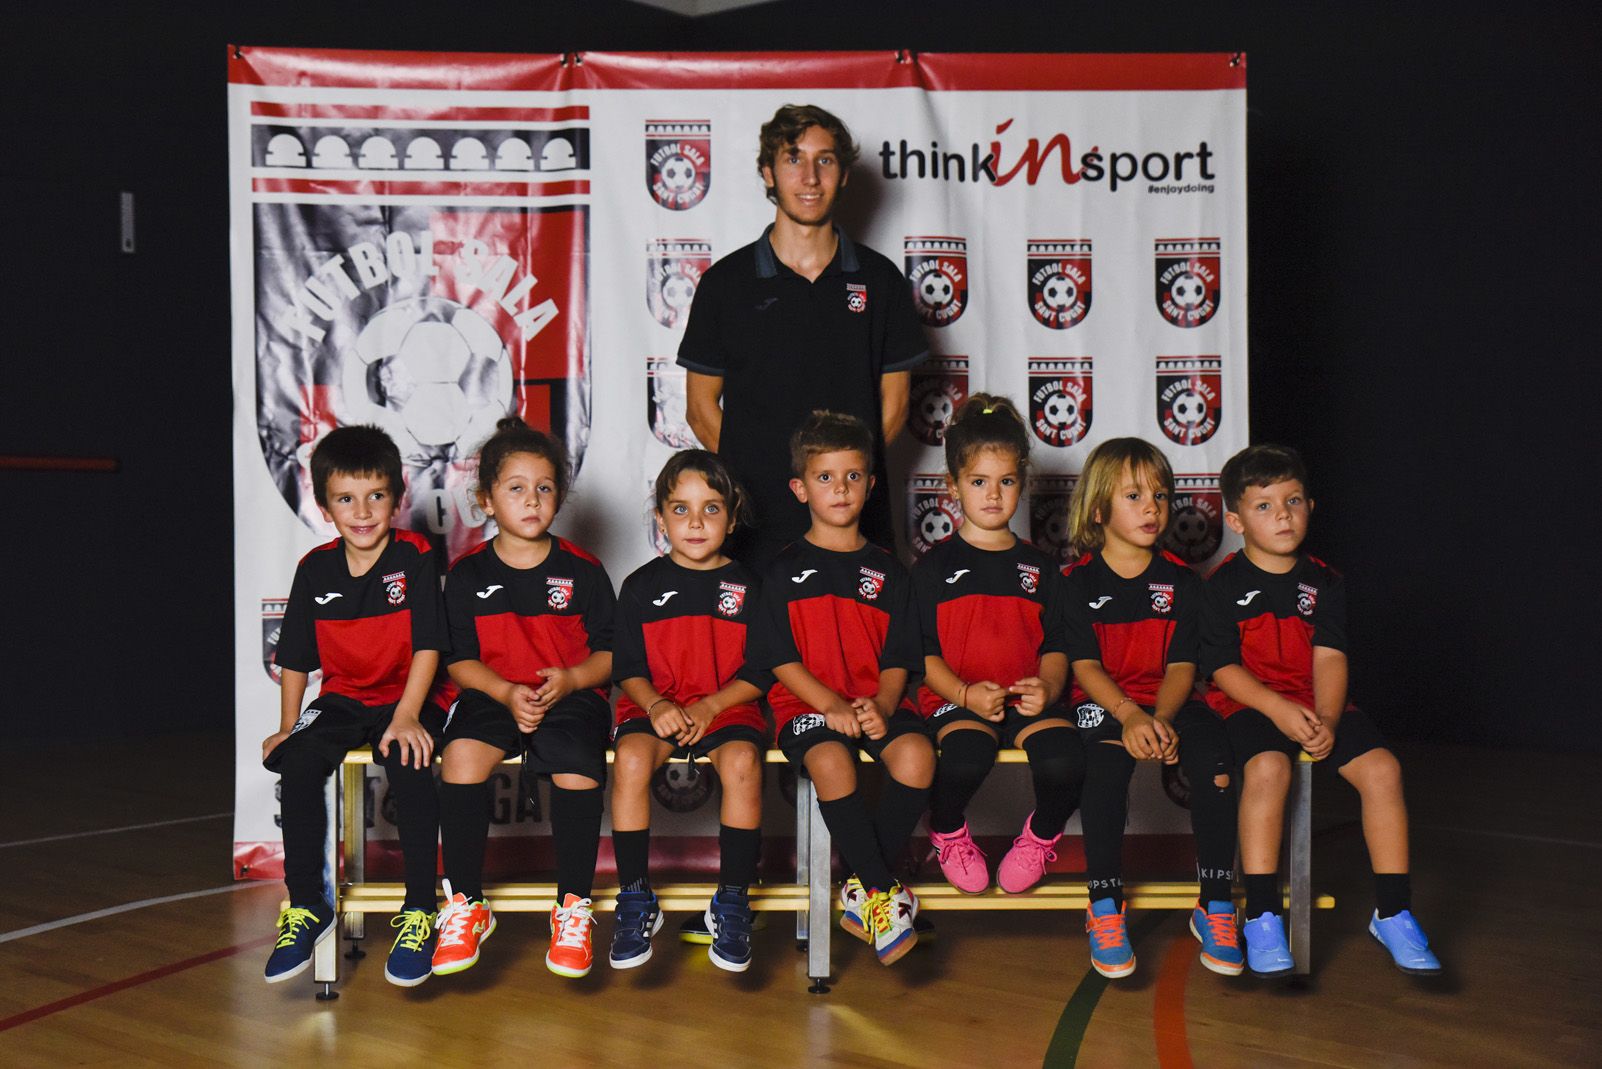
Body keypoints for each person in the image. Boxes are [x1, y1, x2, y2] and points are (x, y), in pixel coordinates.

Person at [1201, 444, 1441, 977]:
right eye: (1264, 506)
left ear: (1311, 505)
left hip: (1316, 703)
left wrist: (1328, 720)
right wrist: (1278, 710)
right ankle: (1262, 915)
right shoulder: (1220, 587)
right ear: (1236, 521)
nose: (1282, 515)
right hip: (1250, 702)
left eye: (1293, 501)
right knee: (1270, 768)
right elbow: (1222, 669)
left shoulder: (1326, 581)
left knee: (1383, 770)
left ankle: (1393, 912)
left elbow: (1330, 657)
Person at [678, 104, 928, 570]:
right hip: (757, 526)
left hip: (854, 520)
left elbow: (894, 406)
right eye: (793, 158)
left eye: (825, 160)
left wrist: (841, 482)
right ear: (768, 173)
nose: (810, 177)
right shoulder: (726, 283)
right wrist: (756, 482)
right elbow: (700, 406)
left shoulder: (881, 280)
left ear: (844, 174)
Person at [744, 410, 934, 965]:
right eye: (825, 477)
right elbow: (778, 658)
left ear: (871, 484)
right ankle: (880, 890)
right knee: (832, 762)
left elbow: (899, 657)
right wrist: (829, 704)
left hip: (874, 701)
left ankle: (860, 885)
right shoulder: (781, 570)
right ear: (800, 488)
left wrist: (883, 704)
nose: (841, 488)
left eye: (852, 476)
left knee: (917, 755)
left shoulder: (889, 572)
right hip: (807, 704)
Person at [262, 425, 447, 988]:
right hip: (344, 697)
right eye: (346, 499)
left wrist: (408, 715)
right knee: (297, 762)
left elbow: (429, 645)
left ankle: (420, 910)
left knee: (408, 758)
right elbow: (296, 658)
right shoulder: (314, 569)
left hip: (410, 695)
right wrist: (288, 727)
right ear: (324, 507)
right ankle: (308, 905)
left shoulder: (415, 555)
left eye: (376, 496)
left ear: (398, 497)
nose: (362, 512)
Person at [433, 418, 616, 980]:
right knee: (462, 756)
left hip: (569, 695)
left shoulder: (584, 571)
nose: (532, 499)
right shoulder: (467, 575)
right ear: (486, 500)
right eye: (516, 488)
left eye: (544, 487)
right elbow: (458, 661)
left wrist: (573, 680)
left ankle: (572, 907)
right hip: (493, 692)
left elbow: (612, 654)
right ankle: (466, 904)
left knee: (577, 764)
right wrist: (505, 691)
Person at [1060, 438, 1243, 979]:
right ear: (1098, 510)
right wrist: (1130, 716)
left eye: (1160, 496)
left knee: (1215, 762)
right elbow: (1084, 667)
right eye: (1134, 496)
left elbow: (1183, 665)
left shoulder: (1183, 581)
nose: (1152, 508)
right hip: (1105, 703)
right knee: (1105, 767)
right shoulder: (1074, 582)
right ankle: (1104, 904)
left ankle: (1215, 903)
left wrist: (1160, 719)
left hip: (1168, 700)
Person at [912, 395, 1082, 895]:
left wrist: (1048, 688)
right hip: (957, 700)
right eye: (978, 482)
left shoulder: (1040, 566)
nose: (993, 494)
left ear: (1021, 484)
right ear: (952, 486)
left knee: (1067, 761)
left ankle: (1038, 839)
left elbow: (1057, 643)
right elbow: (921, 652)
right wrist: (964, 694)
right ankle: (947, 829)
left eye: (1006, 482)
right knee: (966, 756)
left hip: (1025, 700)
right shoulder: (933, 567)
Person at [608, 450, 768, 973]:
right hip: (658, 707)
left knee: (743, 762)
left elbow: (763, 670)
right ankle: (635, 896)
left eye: (711, 508)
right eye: (681, 509)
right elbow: (628, 669)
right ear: (660, 517)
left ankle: (732, 899)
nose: (696, 523)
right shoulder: (640, 586)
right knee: (632, 758)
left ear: (733, 516)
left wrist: (713, 704)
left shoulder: (750, 586)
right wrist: (656, 704)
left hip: (726, 706)